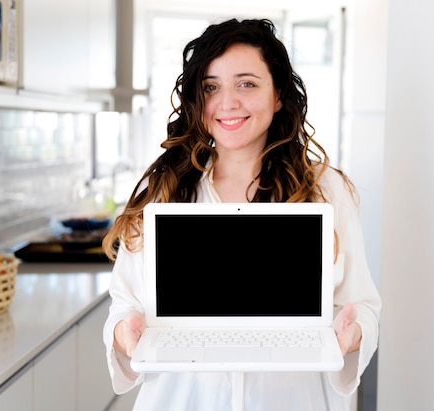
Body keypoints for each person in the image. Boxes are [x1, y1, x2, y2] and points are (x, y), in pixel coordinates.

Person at [102, 18, 381, 410]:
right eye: (211, 87)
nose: (228, 103)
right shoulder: (166, 193)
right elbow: (123, 305)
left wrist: (348, 336)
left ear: (279, 94)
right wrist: (124, 333)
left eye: (247, 84)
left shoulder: (325, 190)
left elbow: (363, 306)